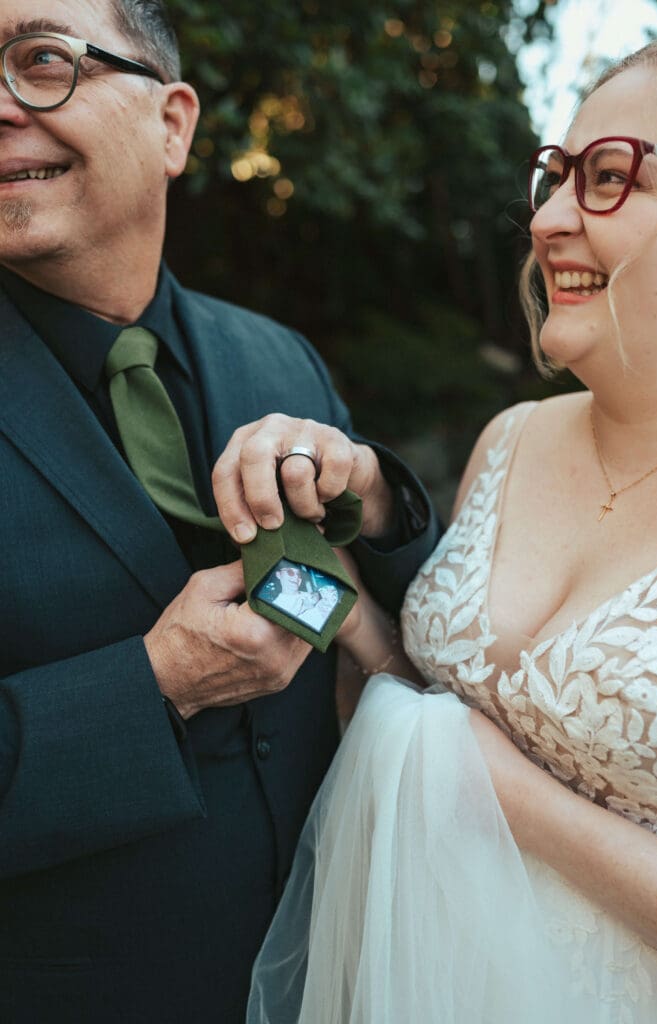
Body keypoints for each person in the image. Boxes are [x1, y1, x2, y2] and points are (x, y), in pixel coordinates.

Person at [0, 3, 441, 1022]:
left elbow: (441, 639)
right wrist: (156, 685)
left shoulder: (279, 360)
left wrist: (373, 495)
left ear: (173, 124)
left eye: (40, 61)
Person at [248, 34, 657, 1023]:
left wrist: (482, 780)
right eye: (555, 177)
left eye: (607, 178)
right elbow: (423, 702)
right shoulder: (508, 439)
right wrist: (333, 601)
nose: (547, 219)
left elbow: (464, 764)